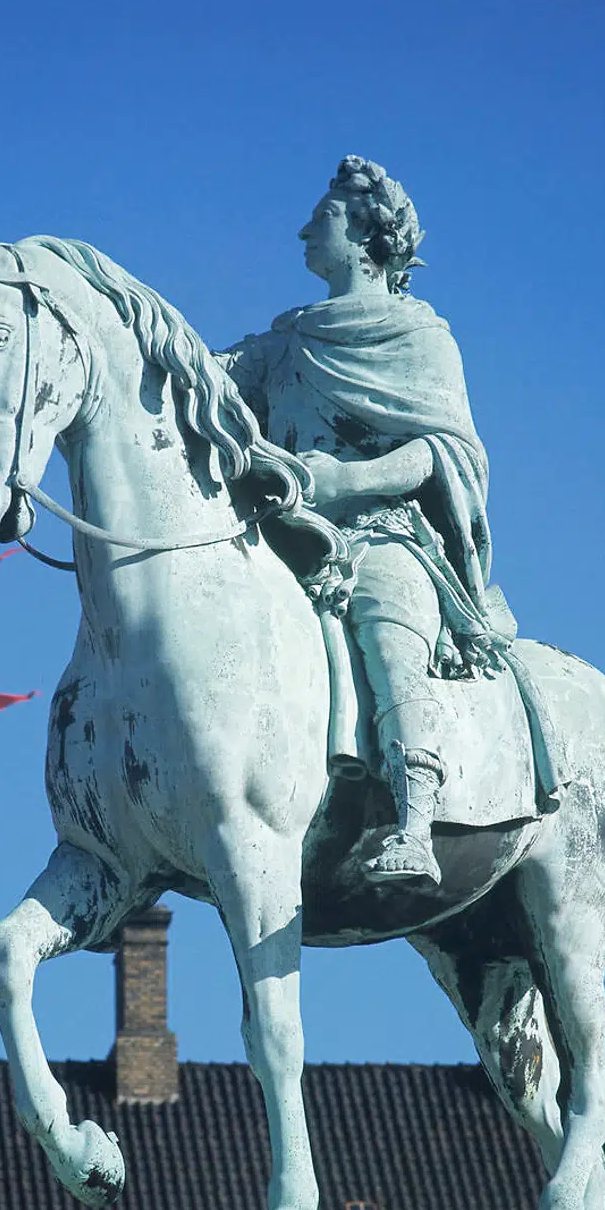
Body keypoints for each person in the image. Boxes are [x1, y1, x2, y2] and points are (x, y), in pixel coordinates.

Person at [220, 156, 510, 885]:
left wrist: (350, 479)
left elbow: (445, 450)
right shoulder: (283, 342)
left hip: (381, 532)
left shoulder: (420, 337)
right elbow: (207, 381)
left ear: (365, 235)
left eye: (321, 218)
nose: (303, 231)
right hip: (282, 536)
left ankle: (414, 825)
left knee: (387, 636)